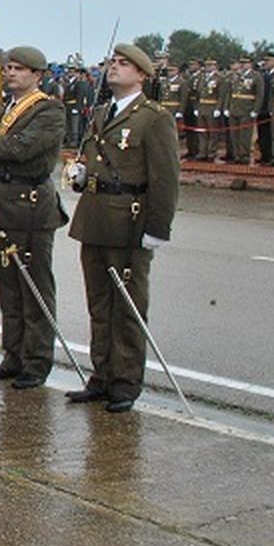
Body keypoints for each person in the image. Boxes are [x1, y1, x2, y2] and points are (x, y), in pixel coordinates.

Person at [64, 43, 179, 413]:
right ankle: (102, 375)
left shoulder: (153, 117)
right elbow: (98, 163)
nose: (113, 68)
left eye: (123, 64)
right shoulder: (100, 113)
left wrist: (158, 227)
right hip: (96, 215)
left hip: (129, 220)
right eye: (111, 62)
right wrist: (81, 177)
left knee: (126, 305)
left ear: (142, 74)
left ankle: (126, 381)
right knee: (99, 303)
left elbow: (165, 178)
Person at [0, 46, 67, 389]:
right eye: (8, 67)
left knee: (33, 286)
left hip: (31, 205)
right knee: (8, 287)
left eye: (20, 69)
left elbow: (23, 148)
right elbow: (3, 150)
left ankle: (37, 361)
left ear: (38, 75)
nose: (10, 73)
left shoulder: (49, 110)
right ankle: (14, 355)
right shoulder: (6, 108)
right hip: (3, 201)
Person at [225, 57, 260, 164]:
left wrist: (256, 109)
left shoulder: (256, 76)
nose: (243, 65)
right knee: (234, 134)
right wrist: (227, 107)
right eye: (242, 63)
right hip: (234, 107)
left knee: (245, 134)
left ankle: (244, 155)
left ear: (251, 64)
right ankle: (236, 155)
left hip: (247, 108)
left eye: (245, 63)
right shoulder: (235, 76)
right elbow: (229, 93)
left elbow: (259, 94)